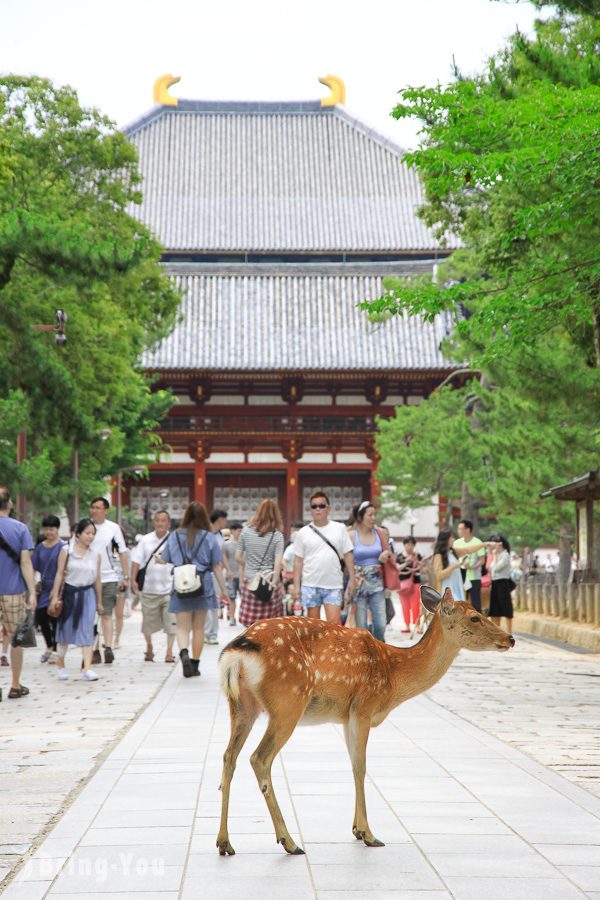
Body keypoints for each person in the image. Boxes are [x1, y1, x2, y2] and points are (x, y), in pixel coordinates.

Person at [156, 501, 228, 678]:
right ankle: (195, 665)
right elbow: (217, 566)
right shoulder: (209, 537)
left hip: (181, 583)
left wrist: (158, 559)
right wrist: (224, 591)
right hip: (202, 583)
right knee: (198, 628)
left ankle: (183, 653)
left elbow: (165, 559)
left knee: (182, 627)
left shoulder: (174, 536)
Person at [50, 517, 103, 681]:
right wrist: (54, 597)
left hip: (88, 595)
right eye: (87, 533)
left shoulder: (95, 555)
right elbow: (59, 574)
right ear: (78, 534)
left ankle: (87, 668)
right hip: (69, 595)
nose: (90, 536)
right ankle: (61, 666)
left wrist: (99, 601)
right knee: (64, 631)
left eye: (93, 533)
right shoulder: (67, 551)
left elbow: (97, 579)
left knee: (87, 630)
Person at [292, 490, 356, 625]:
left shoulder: (339, 528)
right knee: (313, 627)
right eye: (314, 506)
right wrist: (296, 587)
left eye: (321, 505)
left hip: (333, 584)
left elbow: (348, 555)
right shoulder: (303, 532)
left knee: (334, 625)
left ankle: (332, 647)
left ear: (328, 508)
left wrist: (353, 579)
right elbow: (298, 562)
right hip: (310, 584)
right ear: (310, 510)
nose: (318, 509)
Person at [0, 486, 37, 699]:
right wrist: (32, 592)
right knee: (16, 638)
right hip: (13, 591)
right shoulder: (20, 528)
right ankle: (15, 684)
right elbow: (25, 562)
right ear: (10, 504)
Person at [130, 510, 176, 663]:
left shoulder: (173, 540)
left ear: (168, 523)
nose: (160, 523)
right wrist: (132, 580)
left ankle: (169, 652)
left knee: (171, 623)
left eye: (163, 520)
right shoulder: (145, 540)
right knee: (147, 624)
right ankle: (149, 647)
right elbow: (136, 561)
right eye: (157, 520)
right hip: (149, 589)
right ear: (154, 522)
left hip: (169, 589)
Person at [88, 497, 129, 664]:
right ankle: (94, 648)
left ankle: (108, 647)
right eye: (93, 507)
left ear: (106, 510)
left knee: (106, 614)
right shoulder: (85, 527)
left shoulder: (113, 528)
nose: (95, 510)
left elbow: (122, 551)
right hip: (89, 578)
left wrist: (125, 577)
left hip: (109, 577)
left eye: (98, 508)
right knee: (91, 616)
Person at [237, 500, 285, 627]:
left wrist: (248, 567)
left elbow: (237, 557)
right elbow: (278, 564)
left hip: (250, 582)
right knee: (270, 625)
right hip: (268, 582)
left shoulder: (245, 532)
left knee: (251, 624)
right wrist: (274, 583)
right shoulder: (277, 536)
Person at [348, 501, 391, 643]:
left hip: (377, 584)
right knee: (361, 626)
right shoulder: (351, 536)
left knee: (380, 624)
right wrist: (351, 583)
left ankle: (379, 651)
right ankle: (365, 655)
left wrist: (386, 554)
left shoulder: (380, 533)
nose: (373, 518)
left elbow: (389, 552)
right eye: (370, 515)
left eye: (374, 515)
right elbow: (347, 560)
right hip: (359, 584)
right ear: (361, 517)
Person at [31, 515, 65, 663]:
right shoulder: (40, 547)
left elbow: (64, 570)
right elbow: (34, 567)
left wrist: (57, 590)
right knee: (41, 616)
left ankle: (56, 650)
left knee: (55, 617)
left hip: (59, 585)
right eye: (46, 529)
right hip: (44, 586)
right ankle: (50, 645)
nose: (48, 532)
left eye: (51, 529)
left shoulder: (63, 546)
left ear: (57, 529)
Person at [204, 508, 231, 645]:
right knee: (207, 604)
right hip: (206, 572)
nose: (226, 522)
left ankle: (212, 633)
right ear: (219, 519)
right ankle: (206, 632)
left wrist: (228, 569)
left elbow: (221, 554)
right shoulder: (204, 533)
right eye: (224, 519)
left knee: (215, 604)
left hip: (218, 572)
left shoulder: (220, 534)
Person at [454, 519, 486, 613]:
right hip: (460, 576)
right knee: (460, 602)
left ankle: (477, 625)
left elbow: (482, 560)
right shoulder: (456, 543)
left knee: (476, 603)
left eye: (460, 528)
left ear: (468, 530)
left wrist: (472, 567)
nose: (458, 531)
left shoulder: (478, 542)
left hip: (474, 577)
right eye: (458, 528)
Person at [488, 533, 514, 635]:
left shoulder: (506, 555)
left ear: (500, 544)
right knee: (495, 609)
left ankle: (509, 632)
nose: (493, 547)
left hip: (503, 583)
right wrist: (494, 556)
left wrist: (494, 556)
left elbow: (495, 568)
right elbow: (490, 569)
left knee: (506, 608)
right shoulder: (497, 555)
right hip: (495, 583)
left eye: (495, 544)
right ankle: (497, 632)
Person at [396, 537, 422, 634]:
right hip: (402, 584)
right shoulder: (399, 556)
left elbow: (422, 566)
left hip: (415, 583)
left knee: (415, 605)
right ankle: (406, 625)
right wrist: (406, 562)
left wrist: (416, 564)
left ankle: (417, 625)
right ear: (404, 544)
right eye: (408, 544)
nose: (409, 547)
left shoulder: (417, 555)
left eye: (412, 544)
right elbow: (397, 568)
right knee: (404, 605)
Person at [222, 521, 242, 626]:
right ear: (233, 531)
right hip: (231, 575)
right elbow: (224, 558)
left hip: (242, 575)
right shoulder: (226, 544)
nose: (240, 533)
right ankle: (232, 617)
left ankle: (243, 616)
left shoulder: (244, 544)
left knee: (245, 598)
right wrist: (228, 570)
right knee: (232, 598)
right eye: (239, 531)